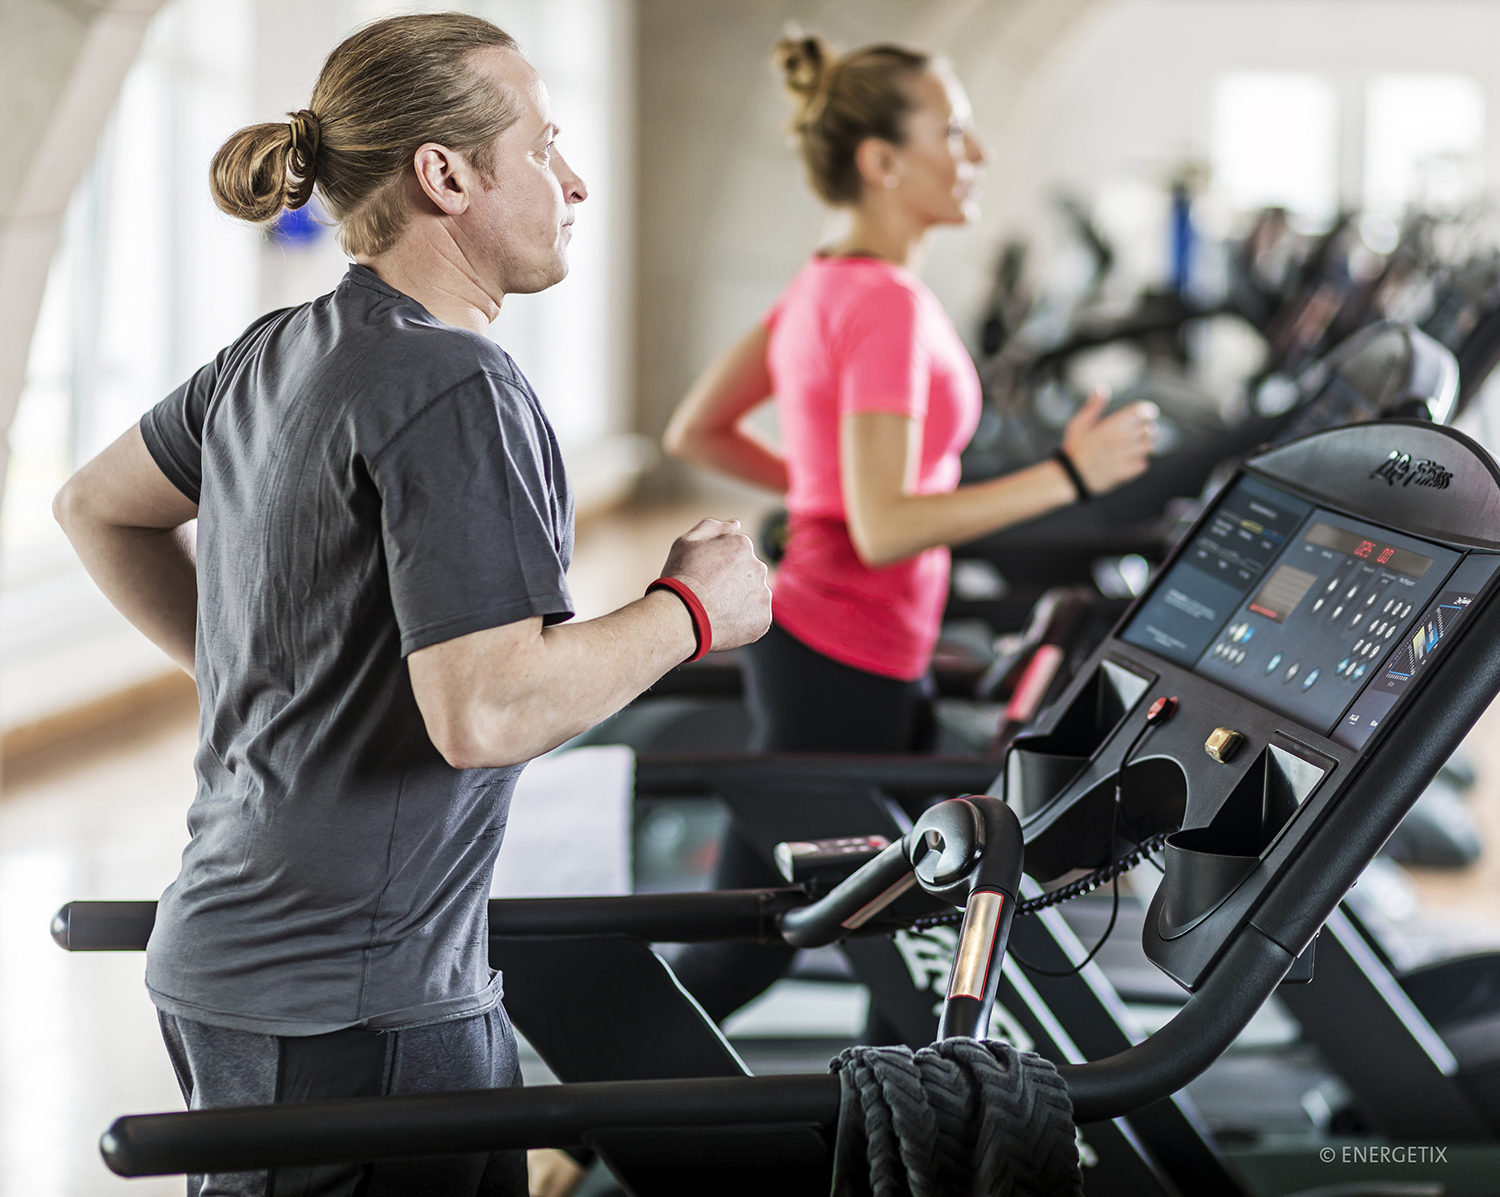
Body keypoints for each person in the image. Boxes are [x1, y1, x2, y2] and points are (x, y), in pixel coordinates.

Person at [52, 14, 770, 1197]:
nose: (575, 178)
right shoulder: (456, 382)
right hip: (355, 999)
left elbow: (94, 505)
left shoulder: (277, 349)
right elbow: (486, 713)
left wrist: (278, 682)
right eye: (544, 146)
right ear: (447, 175)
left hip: (235, 956)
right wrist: (694, 611)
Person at [663, 35, 1156, 1024]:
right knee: (779, 939)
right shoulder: (884, 305)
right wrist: (1067, 474)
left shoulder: (823, 284)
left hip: (839, 649)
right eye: (955, 135)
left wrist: (821, 495)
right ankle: (569, 1132)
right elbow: (887, 527)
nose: (974, 155)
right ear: (884, 163)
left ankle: (893, 1123)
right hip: (841, 654)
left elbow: (699, 430)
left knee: (896, 917)